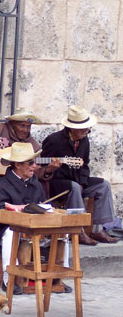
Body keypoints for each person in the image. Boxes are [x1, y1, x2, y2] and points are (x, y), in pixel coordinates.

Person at [41, 105, 118, 245]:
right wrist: (50, 168)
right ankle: (78, 230)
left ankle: (97, 229)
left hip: (77, 180)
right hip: (56, 182)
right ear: (72, 128)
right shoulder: (54, 140)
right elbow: (40, 167)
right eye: (83, 129)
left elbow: (84, 165)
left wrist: (83, 182)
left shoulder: (84, 140)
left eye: (88, 128)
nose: (87, 131)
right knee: (74, 187)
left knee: (103, 185)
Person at [0, 142, 46, 295]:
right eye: (30, 163)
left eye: (35, 162)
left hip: (32, 226)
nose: (34, 166)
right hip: (3, 229)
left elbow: (42, 205)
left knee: (62, 234)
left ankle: (56, 279)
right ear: (18, 165)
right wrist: (16, 210)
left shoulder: (34, 183)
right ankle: (8, 277)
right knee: (11, 233)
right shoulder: (3, 185)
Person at [0, 108, 62, 189]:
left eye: (28, 127)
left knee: (41, 185)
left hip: (17, 182)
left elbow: (34, 170)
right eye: (22, 126)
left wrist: (48, 170)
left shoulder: (33, 145)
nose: (25, 130)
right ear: (12, 123)